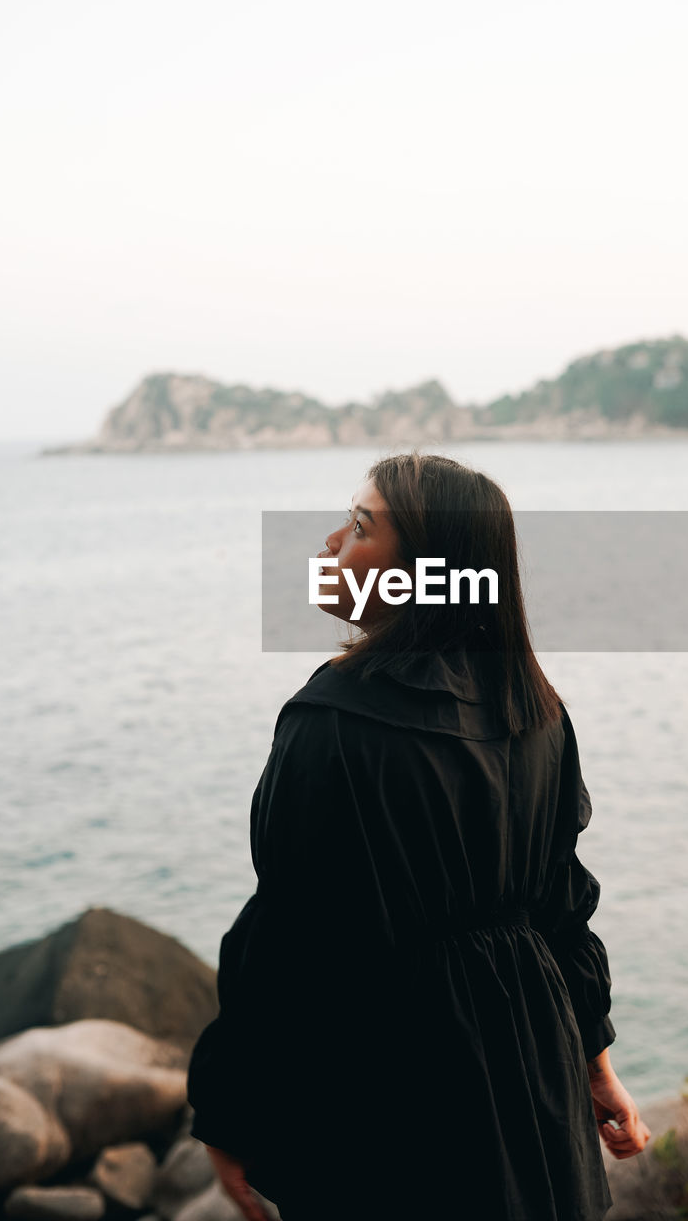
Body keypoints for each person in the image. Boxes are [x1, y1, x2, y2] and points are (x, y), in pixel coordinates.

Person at [187, 452, 650, 1221]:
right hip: (535, 1070)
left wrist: (228, 1115)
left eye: (362, 524)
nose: (332, 541)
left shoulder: (332, 720)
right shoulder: (533, 708)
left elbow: (283, 937)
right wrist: (594, 1064)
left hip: (396, 1083)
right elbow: (563, 909)